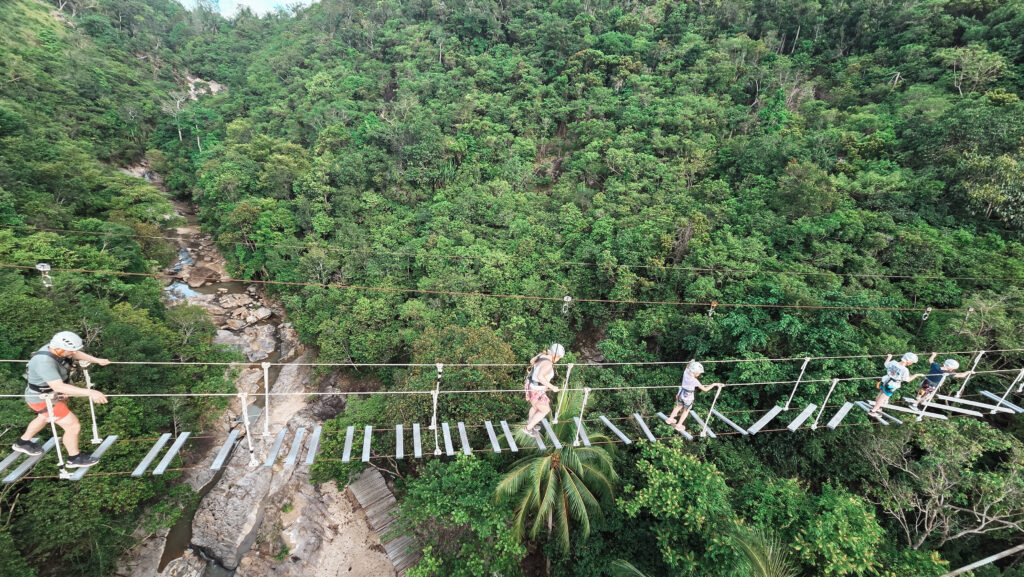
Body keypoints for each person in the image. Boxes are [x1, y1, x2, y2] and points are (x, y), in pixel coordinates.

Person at [11, 331, 110, 468]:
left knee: (43, 418)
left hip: (48, 395)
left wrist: (96, 360)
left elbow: (75, 353)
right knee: (73, 425)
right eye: (70, 351)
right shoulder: (44, 361)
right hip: (44, 399)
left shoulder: (57, 349)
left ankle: (22, 443)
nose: (73, 353)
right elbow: (59, 386)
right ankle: (73, 458)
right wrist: (91, 392)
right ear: (59, 349)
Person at [665, 360, 722, 433]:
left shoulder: (685, 372)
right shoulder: (695, 381)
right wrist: (713, 384)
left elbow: (687, 366)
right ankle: (679, 425)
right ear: (696, 373)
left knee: (678, 406)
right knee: (686, 410)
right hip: (688, 396)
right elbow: (705, 389)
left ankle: (670, 419)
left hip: (681, 393)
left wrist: (691, 362)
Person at [522, 344, 564, 437]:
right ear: (555, 356)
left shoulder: (542, 356)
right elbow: (540, 377)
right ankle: (528, 428)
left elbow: (531, 361)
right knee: (545, 410)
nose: (558, 360)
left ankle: (531, 422)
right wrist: (552, 387)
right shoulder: (548, 364)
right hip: (536, 389)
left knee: (535, 407)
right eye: (559, 358)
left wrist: (539, 355)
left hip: (531, 385)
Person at [868, 352, 923, 416]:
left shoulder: (893, 362)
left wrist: (889, 357)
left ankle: (877, 407)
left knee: (880, 394)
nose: (911, 364)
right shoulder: (905, 370)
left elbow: (885, 364)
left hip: (885, 380)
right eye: (912, 362)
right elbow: (907, 380)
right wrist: (916, 375)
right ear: (909, 362)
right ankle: (873, 411)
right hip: (892, 385)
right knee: (882, 398)